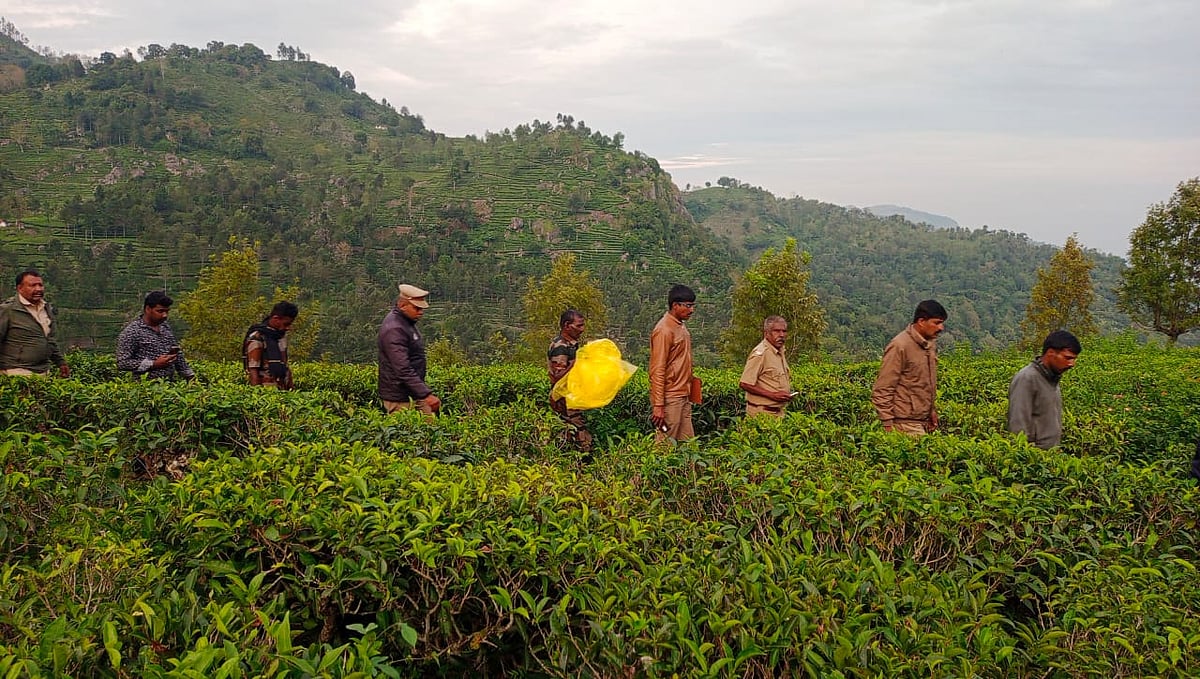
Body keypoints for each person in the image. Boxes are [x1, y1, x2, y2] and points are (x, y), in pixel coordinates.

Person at [871, 299, 947, 435]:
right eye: (937, 323)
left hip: (921, 421)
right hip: (904, 424)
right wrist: (887, 424)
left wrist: (931, 412)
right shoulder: (900, 345)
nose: (941, 328)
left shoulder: (929, 345)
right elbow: (883, 388)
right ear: (921, 321)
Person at [1007, 330, 1081, 449]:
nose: (1072, 364)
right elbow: (1018, 425)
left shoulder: (1052, 378)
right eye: (1068, 358)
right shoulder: (1027, 378)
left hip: (1049, 458)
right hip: (1035, 460)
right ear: (1051, 353)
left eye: (1074, 359)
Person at [378, 283, 440, 415]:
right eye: (417, 308)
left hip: (413, 393)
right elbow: (402, 368)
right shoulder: (395, 329)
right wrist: (426, 394)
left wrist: (422, 393)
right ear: (403, 305)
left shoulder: (406, 323)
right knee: (405, 431)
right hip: (399, 397)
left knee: (431, 430)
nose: (420, 312)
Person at [0, 270, 70, 377]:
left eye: (40, 285)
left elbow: (49, 340)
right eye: (32, 285)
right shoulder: (8, 310)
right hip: (16, 372)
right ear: (20, 288)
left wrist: (60, 362)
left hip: (43, 371)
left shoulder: (46, 308)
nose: (38, 289)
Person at [649, 284, 697, 441]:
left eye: (693, 306)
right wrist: (658, 405)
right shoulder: (664, 330)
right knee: (665, 444)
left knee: (687, 444)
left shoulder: (680, 326)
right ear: (675, 305)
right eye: (688, 306)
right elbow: (658, 369)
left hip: (683, 395)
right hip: (670, 398)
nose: (692, 310)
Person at [115, 290, 196, 380]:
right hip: (145, 389)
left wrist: (190, 376)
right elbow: (122, 363)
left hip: (170, 387)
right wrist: (153, 364)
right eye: (160, 311)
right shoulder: (132, 331)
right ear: (148, 309)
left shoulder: (165, 327)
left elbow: (177, 355)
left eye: (167, 311)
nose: (165, 315)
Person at [547, 309, 593, 455]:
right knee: (578, 442)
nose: (582, 329)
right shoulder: (561, 346)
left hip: (573, 402)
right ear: (567, 325)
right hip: (565, 405)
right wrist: (576, 364)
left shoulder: (572, 345)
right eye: (578, 326)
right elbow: (558, 376)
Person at [739, 315, 793, 417]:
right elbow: (745, 383)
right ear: (766, 333)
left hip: (778, 412)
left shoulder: (780, 351)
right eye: (776, 331)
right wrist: (772, 395)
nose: (781, 335)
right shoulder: (761, 354)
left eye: (784, 331)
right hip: (762, 413)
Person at [244, 301, 299, 389]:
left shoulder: (280, 336)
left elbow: (284, 365)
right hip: (267, 391)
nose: (288, 328)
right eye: (286, 324)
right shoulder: (257, 337)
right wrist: (257, 395)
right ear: (276, 318)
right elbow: (253, 370)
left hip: (282, 389)